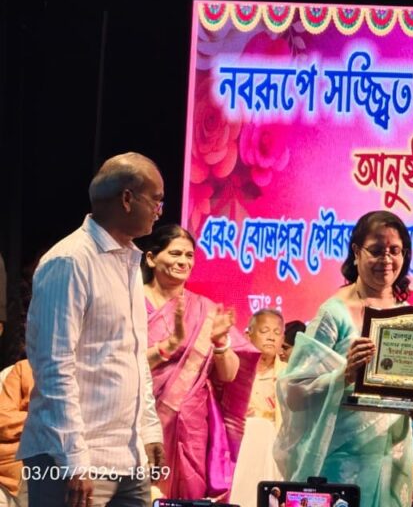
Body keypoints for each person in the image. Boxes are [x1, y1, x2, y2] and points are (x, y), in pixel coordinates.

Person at [18, 152, 166, 507]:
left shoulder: (129, 261)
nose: (160, 211)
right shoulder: (70, 261)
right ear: (127, 198)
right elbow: (54, 366)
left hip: (127, 455)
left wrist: (148, 428)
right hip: (71, 457)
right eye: (156, 200)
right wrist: (74, 459)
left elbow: (132, 357)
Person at [275, 209, 413, 507]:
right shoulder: (334, 312)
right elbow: (294, 392)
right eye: (376, 250)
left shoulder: (407, 315)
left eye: (394, 250)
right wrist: (344, 375)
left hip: (389, 458)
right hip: (339, 460)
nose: (387, 259)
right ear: (356, 251)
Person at [140, 223, 258, 499]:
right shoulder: (130, 303)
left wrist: (220, 342)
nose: (183, 262)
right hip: (140, 416)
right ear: (151, 258)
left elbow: (229, 375)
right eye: (175, 253)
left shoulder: (206, 309)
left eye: (189, 255)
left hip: (191, 426)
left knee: (189, 496)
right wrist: (168, 347)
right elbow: (121, 364)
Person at [229, 308, 285, 507]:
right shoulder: (233, 371)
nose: (271, 337)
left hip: (273, 451)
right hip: (237, 449)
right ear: (248, 335)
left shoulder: (289, 375)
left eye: (277, 333)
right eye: (264, 331)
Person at [0, 358, 32, 507]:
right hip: (6, 471)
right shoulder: (23, 368)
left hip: (54, 469)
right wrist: (43, 419)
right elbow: (2, 419)